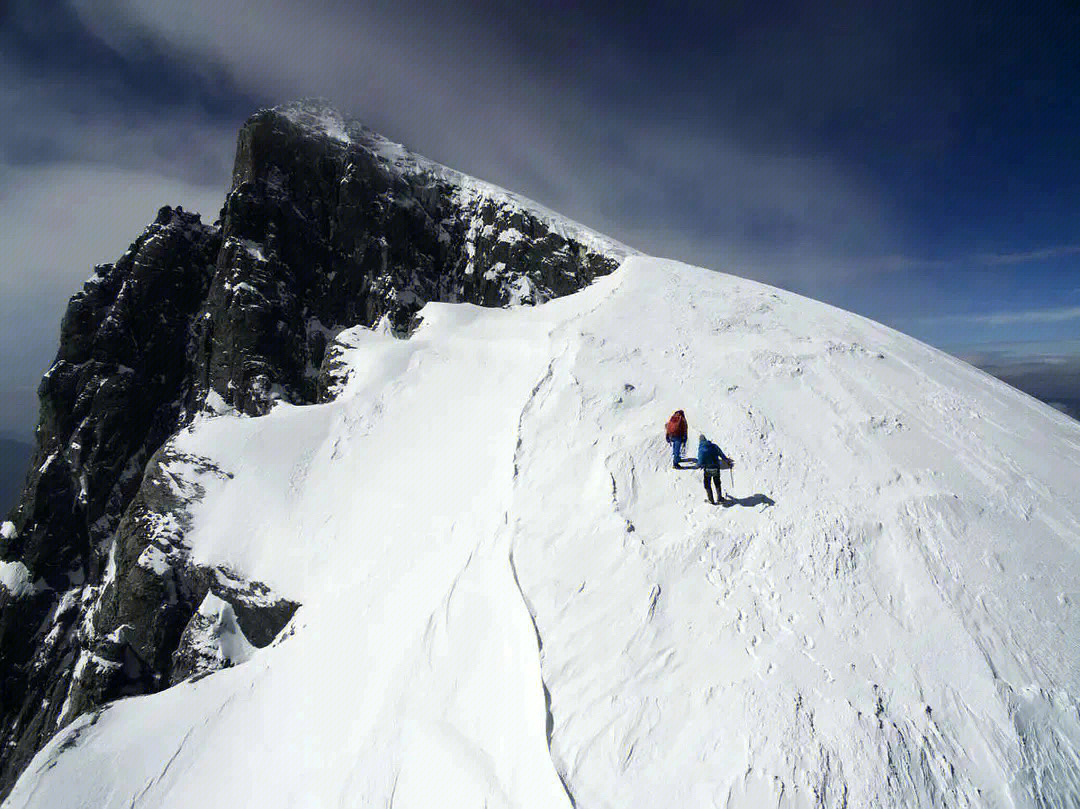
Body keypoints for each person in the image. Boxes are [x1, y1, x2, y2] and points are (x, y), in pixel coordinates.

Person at [697, 434, 733, 504]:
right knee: (717, 482)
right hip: (716, 467)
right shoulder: (714, 446)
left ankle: (711, 500)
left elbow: (700, 461)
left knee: (707, 484)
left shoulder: (701, 449)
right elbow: (721, 454)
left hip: (707, 469)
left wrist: (700, 465)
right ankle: (719, 498)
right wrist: (727, 461)